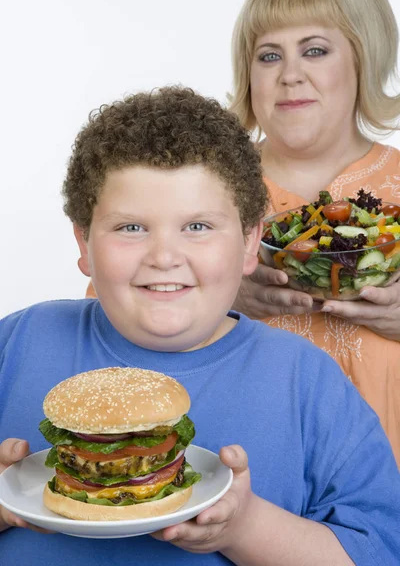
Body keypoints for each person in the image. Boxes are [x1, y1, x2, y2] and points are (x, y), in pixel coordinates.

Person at [1, 87, 399, 566]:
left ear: (251, 242)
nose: (165, 257)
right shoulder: (18, 342)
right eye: (131, 227)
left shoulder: (307, 381)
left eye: (197, 227)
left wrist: (244, 527)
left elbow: (378, 550)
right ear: (83, 242)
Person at [229, 0, 400, 466]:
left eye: (315, 50)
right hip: (244, 472)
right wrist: (219, 296)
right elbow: (115, 309)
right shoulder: (203, 188)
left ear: (363, 60)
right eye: (268, 55)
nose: (290, 74)